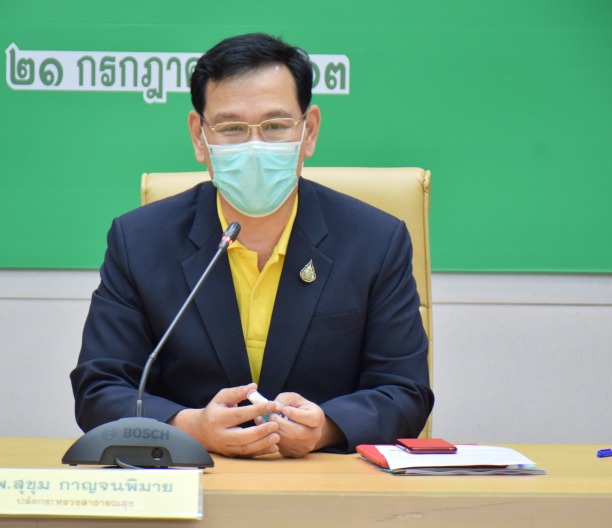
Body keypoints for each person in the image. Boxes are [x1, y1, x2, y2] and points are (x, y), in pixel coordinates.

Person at [71, 33, 433, 458]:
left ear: (309, 130)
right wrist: (188, 427)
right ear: (199, 137)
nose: (255, 147)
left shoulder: (375, 241)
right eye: (231, 129)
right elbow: (99, 388)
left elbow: (405, 391)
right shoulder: (140, 241)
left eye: (276, 126)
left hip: (322, 481)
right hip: (192, 476)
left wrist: (326, 427)